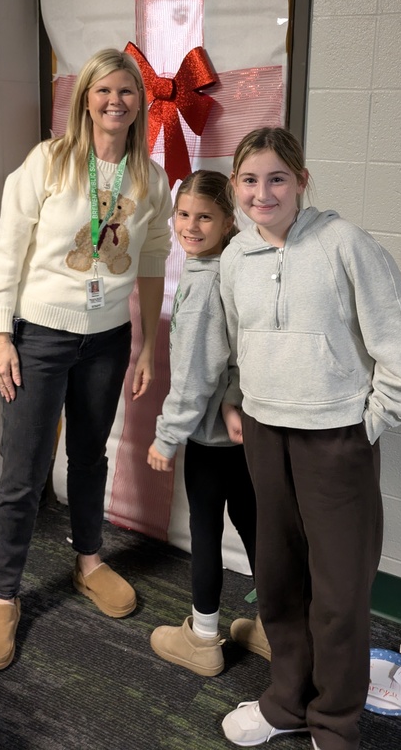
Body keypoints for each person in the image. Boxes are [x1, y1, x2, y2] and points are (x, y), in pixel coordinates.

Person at [219, 127, 401, 750]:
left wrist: (373, 418)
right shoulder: (235, 257)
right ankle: (287, 700)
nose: (264, 193)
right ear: (236, 187)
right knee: (280, 581)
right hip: (265, 435)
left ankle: (334, 721)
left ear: (302, 181)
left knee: (339, 592)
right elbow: (239, 341)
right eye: (250, 180)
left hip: (335, 438)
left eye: (277, 178)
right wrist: (238, 400)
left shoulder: (344, 245)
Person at [0, 48, 172, 671]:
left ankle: (88, 560)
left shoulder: (151, 178)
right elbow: (7, 253)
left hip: (108, 339)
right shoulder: (49, 164)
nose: (116, 102)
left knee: (90, 455)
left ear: (141, 104)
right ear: (84, 98)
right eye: (104, 91)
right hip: (41, 335)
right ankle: (2, 596)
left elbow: (150, 263)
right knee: (24, 469)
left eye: (128, 93)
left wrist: (144, 344)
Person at [146, 170, 269, 677]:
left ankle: (202, 638)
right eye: (182, 214)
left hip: (210, 441)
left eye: (204, 217)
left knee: (205, 532)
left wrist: (166, 435)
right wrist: (235, 397)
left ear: (227, 220)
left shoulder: (201, 285)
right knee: (256, 527)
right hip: (247, 433)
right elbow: (245, 351)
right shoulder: (240, 265)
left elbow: (195, 375)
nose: (190, 226)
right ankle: (276, 627)